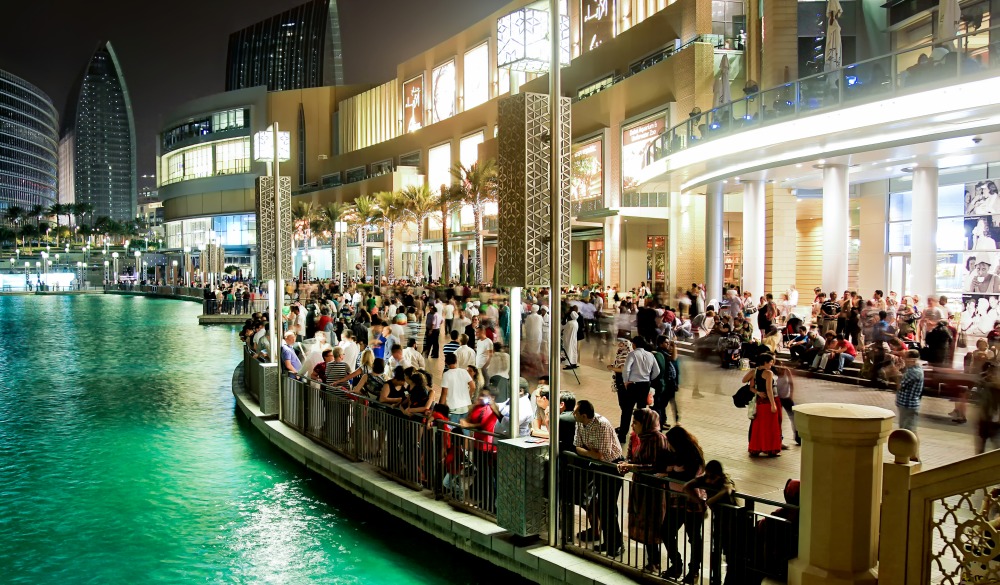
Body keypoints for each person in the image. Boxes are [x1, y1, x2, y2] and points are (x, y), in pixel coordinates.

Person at [616, 409, 669, 574]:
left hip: (653, 490)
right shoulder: (635, 436)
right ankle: (651, 561)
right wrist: (626, 464)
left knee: (652, 524)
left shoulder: (657, 439)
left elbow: (655, 466)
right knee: (641, 521)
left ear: (646, 423)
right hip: (639, 486)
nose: (633, 425)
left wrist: (632, 467)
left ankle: (655, 561)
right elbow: (630, 457)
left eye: (636, 423)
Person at [572, 400, 624, 556]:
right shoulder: (580, 423)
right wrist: (590, 453)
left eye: (575, 412)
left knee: (607, 507)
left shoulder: (602, 425)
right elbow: (577, 446)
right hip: (597, 467)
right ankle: (610, 542)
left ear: (584, 415)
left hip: (612, 467)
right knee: (603, 507)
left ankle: (616, 544)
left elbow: (601, 455)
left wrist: (588, 452)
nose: (573, 414)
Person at [660, 425, 706, 583]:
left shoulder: (692, 455)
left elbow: (688, 477)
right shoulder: (674, 454)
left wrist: (669, 473)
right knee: (666, 531)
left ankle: (693, 570)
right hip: (676, 499)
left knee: (693, 537)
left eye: (670, 442)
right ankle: (677, 563)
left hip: (692, 501)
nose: (668, 445)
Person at [683, 460, 741, 584]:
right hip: (719, 520)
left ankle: (729, 581)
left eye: (712, 477)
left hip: (734, 521)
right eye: (707, 476)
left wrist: (713, 498)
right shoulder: (705, 479)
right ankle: (716, 580)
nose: (709, 480)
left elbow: (729, 488)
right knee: (716, 552)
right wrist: (700, 501)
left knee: (731, 554)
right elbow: (686, 486)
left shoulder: (725, 481)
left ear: (718, 475)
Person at [621, 337, 660, 443]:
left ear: (634, 344)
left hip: (633, 385)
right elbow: (657, 371)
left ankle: (623, 434)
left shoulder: (632, 354)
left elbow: (626, 369)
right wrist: (648, 379)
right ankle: (640, 435)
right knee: (641, 411)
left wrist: (626, 381)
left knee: (627, 410)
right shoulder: (651, 355)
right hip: (645, 385)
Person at [745, 353, 782, 457]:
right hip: (769, 401)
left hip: (759, 402)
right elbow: (769, 390)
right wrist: (773, 404)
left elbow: (745, 381)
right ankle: (771, 449)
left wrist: (757, 391)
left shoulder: (754, 371)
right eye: (770, 362)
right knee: (771, 427)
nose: (772, 364)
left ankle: (755, 448)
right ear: (765, 362)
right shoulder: (768, 373)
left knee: (758, 426)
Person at [896, 349, 924, 440]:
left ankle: (911, 453)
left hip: (908, 406)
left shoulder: (913, 372)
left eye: (905, 358)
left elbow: (900, 386)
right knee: (911, 431)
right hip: (907, 405)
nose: (903, 359)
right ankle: (913, 453)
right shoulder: (914, 369)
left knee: (908, 432)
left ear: (912, 360)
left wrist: (894, 373)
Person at [440, 353, 475, 427]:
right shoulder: (464, 371)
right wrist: (468, 397)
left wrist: (440, 407)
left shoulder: (446, 374)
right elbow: (473, 386)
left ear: (446, 363)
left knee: (453, 433)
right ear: (456, 361)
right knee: (465, 432)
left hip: (453, 408)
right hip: (465, 407)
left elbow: (444, 393)